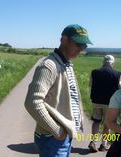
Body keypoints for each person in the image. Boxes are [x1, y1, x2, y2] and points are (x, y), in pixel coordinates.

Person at [24, 24, 92, 157]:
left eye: (84, 46)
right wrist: (57, 130)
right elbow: (32, 102)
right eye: (78, 44)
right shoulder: (49, 66)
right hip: (53, 138)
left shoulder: (66, 64)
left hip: (62, 136)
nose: (81, 49)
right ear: (64, 40)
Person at [88, 55, 121, 152]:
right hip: (110, 103)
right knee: (108, 124)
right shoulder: (117, 74)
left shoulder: (94, 72)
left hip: (96, 101)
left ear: (103, 62)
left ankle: (93, 142)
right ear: (112, 63)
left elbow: (90, 84)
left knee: (96, 121)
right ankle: (104, 144)